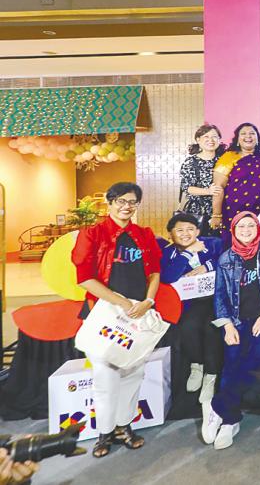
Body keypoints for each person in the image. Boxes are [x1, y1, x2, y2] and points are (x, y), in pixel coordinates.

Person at [72, 182, 161, 458]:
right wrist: (119, 301)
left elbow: (155, 272)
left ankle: (125, 427)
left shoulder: (144, 234)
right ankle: (105, 432)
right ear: (109, 203)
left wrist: (148, 301)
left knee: (133, 374)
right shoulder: (93, 234)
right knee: (104, 376)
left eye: (132, 202)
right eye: (120, 201)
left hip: (138, 314)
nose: (126, 206)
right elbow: (85, 278)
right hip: (106, 314)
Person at [202, 212, 260, 450]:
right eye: (241, 226)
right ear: (234, 229)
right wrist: (227, 325)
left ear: (258, 228)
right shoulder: (225, 258)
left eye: (251, 225)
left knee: (253, 362)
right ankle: (230, 421)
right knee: (231, 364)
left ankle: (217, 407)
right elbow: (219, 294)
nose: (247, 229)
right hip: (236, 320)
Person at [158, 212, 224, 403]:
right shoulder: (168, 253)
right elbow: (168, 276)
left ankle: (210, 377)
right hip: (190, 302)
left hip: (216, 298)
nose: (185, 234)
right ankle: (197, 366)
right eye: (179, 230)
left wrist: (207, 266)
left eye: (190, 229)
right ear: (170, 233)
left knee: (212, 329)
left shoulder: (212, 243)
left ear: (197, 231)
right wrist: (188, 253)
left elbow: (226, 261)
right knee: (188, 327)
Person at [210, 123, 260, 232]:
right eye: (243, 134)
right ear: (238, 140)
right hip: (234, 212)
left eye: (252, 133)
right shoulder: (228, 158)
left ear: (257, 139)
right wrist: (216, 215)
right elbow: (218, 188)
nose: (248, 136)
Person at [179, 123, 224, 233]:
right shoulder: (191, 161)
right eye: (206, 137)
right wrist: (209, 191)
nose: (211, 140)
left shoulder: (224, 160)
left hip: (221, 210)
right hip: (197, 211)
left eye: (214, 137)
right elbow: (187, 187)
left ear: (219, 140)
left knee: (220, 245)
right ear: (198, 140)